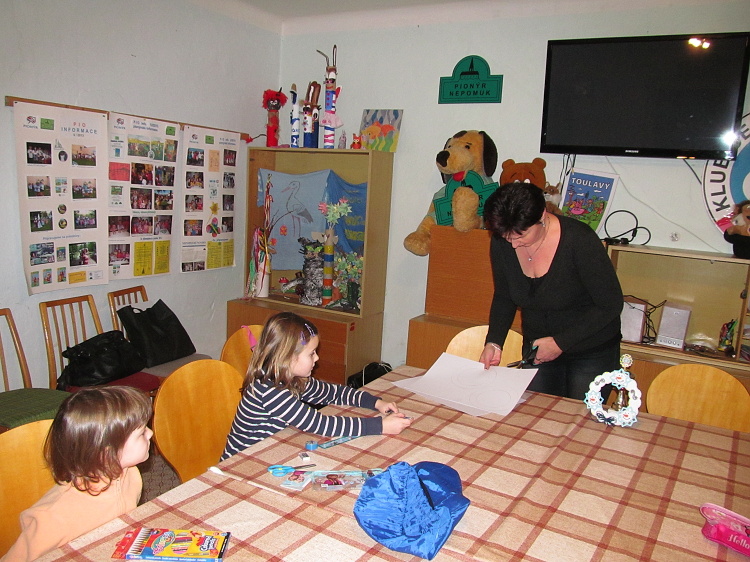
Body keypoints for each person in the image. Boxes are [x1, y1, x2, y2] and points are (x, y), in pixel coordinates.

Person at [479, 182, 623, 401]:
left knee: (579, 418)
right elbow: (504, 295)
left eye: (521, 235)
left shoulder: (579, 240)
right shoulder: (504, 240)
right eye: (507, 237)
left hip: (590, 349)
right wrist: (494, 342)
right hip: (538, 348)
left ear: (542, 216)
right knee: (535, 413)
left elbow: (610, 304)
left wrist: (560, 343)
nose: (514, 244)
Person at [221, 312, 411, 460]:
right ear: (287, 357)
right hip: (241, 463)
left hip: (270, 452)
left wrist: (375, 402)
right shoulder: (270, 391)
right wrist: (380, 426)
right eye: (311, 353)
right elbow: (320, 424)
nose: (317, 358)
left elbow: (334, 393)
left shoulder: (291, 378)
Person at [2, 387, 152, 562]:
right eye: (141, 433)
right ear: (107, 454)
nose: (150, 433)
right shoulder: (55, 517)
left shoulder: (130, 474)